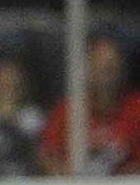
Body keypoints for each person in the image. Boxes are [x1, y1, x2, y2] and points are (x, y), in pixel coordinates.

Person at [43, 34, 140, 175]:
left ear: (121, 70)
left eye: (111, 67)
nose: (105, 75)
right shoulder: (68, 110)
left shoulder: (136, 108)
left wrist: (120, 181)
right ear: (89, 70)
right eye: (99, 66)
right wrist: (67, 177)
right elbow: (47, 155)